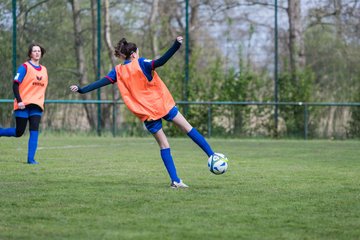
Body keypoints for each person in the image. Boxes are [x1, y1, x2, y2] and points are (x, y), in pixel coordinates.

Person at [70, 36, 215, 188]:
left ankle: (175, 180)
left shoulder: (118, 71)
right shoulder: (141, 63)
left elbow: (100, 83)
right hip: (161, 104)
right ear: (133, 54)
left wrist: (81, 90)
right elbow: (161, 62)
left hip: (146, 113)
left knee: (164, 144)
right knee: (188, 128)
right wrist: (176, 45)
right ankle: (212, 155)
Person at [0, 43, 48, 164]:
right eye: (34, 51)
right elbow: (15, 85)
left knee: (34, 130)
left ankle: (31, 160)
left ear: (41, 53)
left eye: (39, 51)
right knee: (19, 132)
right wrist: (20, 101)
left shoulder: (44, 70)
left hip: (36, 106)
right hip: (23, 105)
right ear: (30, 54)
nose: (37, 53)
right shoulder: (24, 67)